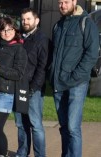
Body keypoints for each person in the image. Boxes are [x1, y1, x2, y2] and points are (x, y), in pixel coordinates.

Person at [48, 0, 99, 156]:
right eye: (60, 2)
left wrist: (76, 75)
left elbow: (91, 54)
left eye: (66, 2)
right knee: (64, 126)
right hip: (58, 83)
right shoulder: (58, 25)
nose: (62, 5)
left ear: (74, 2)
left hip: (77, 84)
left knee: (72, 127)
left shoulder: (86, 23)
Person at [0, 17, 28, 157]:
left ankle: (2, 154)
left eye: (10, 29)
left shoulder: (19, 49)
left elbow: (18, 73)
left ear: (15, 30)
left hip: (6, 93)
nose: (7, 33)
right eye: (3, 30)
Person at [14, 8, 49, 157]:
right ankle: (22, 153)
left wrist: (34, 87)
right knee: (21, 124)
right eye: (23, 19)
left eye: (28, 19)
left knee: (35, 125)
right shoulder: (18, 37)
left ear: (36, 20)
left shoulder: (42, 39)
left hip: (34, 88)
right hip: (18, 86)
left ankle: (40, 155)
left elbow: (43, 66)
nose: (25, 22)